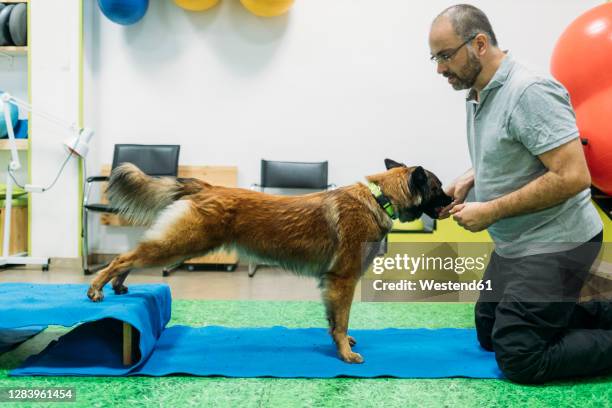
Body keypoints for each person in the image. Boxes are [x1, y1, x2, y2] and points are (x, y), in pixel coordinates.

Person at [429, 4, 610, 383]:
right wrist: (468, 178)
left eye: (446, 56)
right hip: (516, 243)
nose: (440, 69)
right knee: (488, 331)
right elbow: (516, 146)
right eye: (436, 57)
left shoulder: (529, 91)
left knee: (519, 354)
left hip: (557, 242)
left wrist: (491, 210)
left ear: (479, 43)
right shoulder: (479, 90)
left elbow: (574, 175)